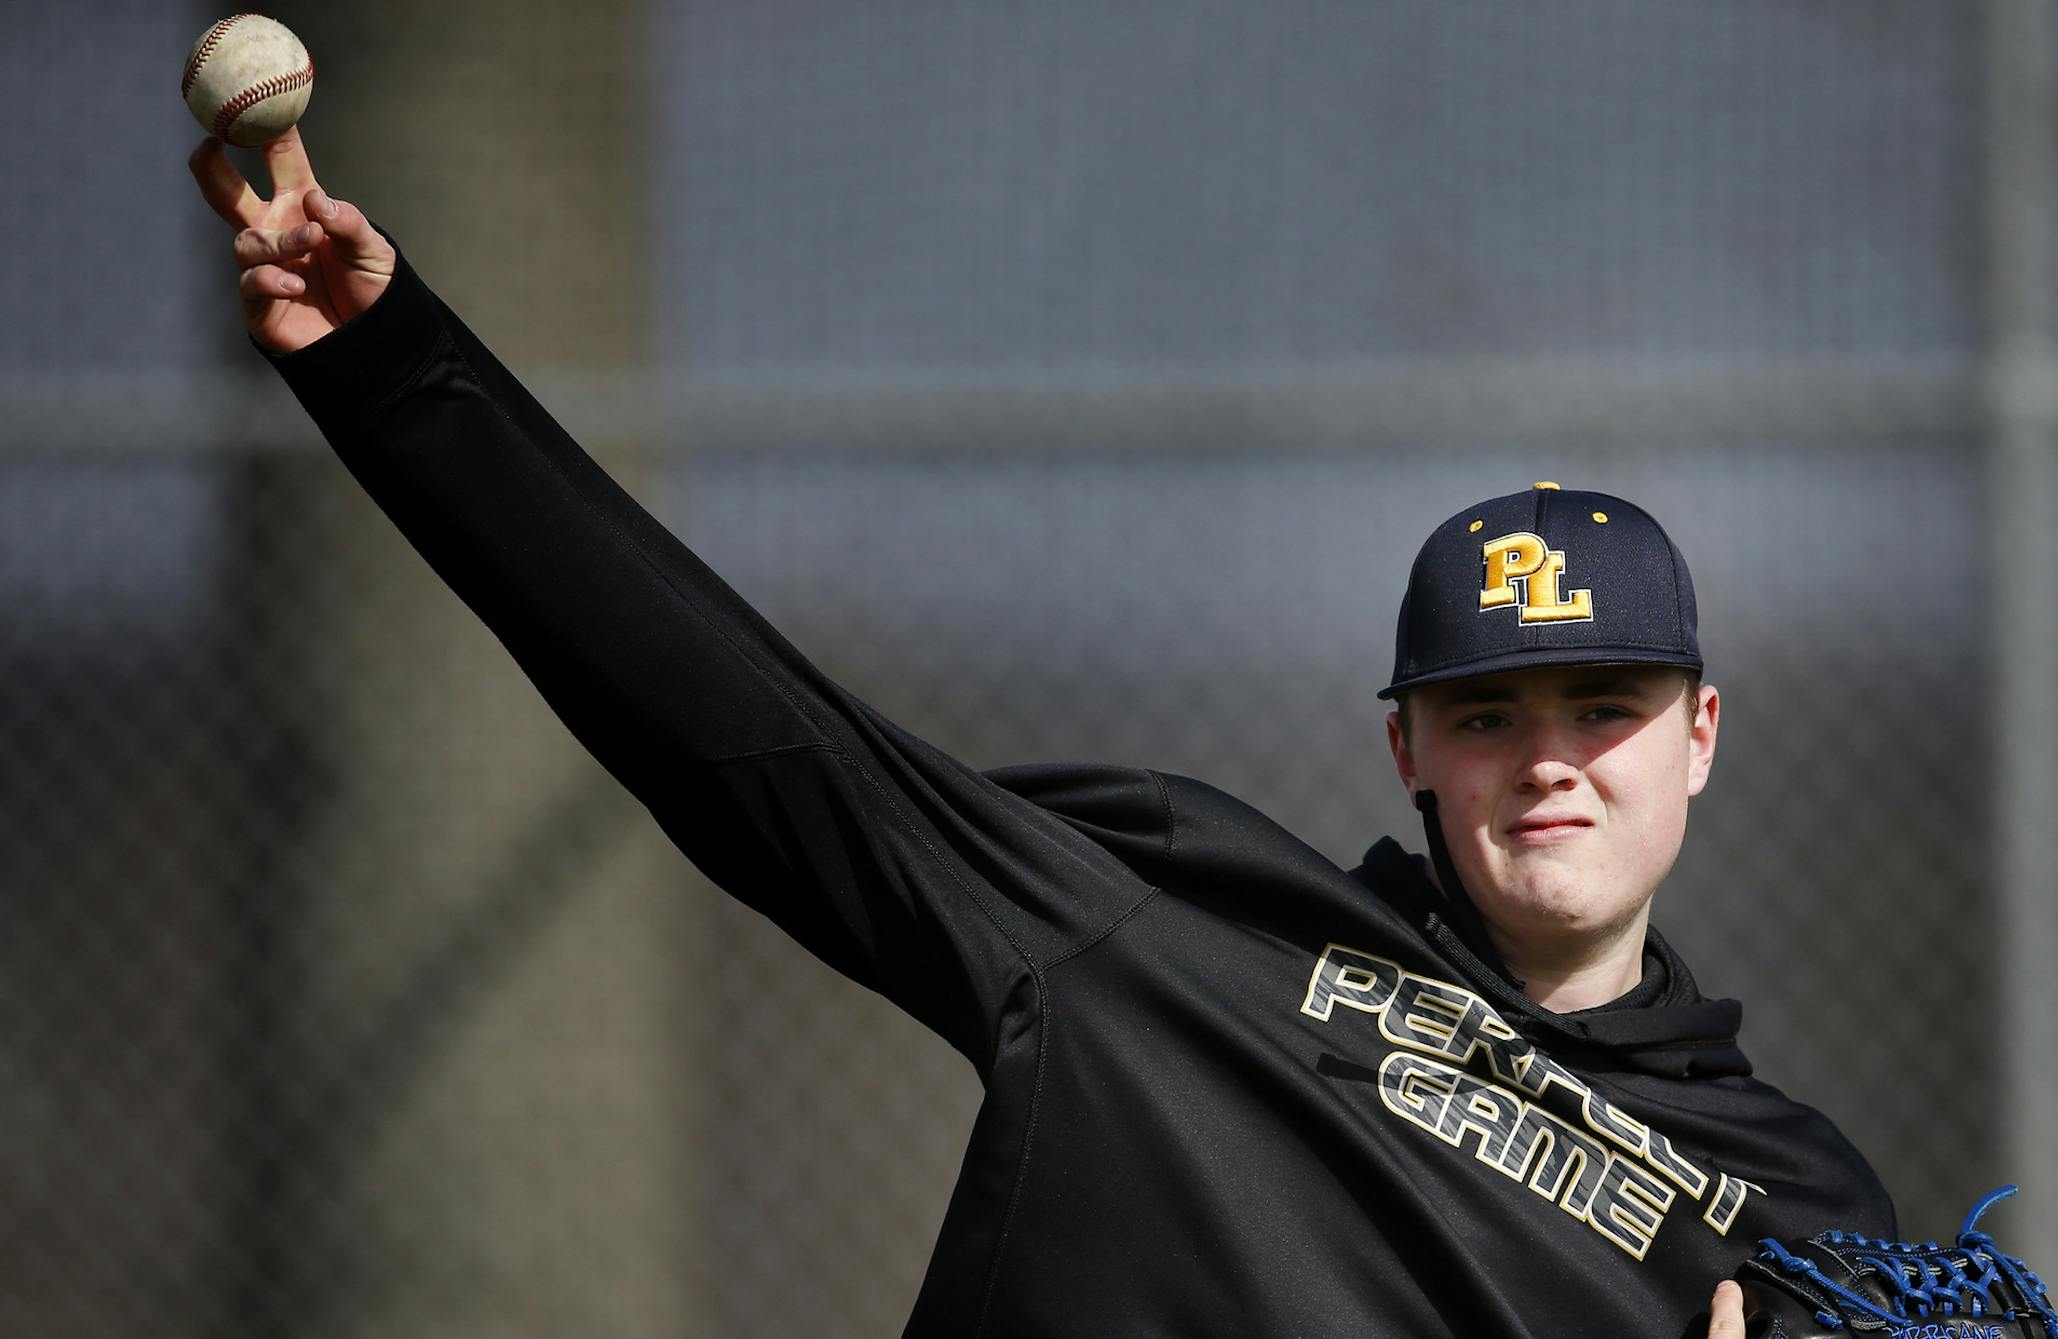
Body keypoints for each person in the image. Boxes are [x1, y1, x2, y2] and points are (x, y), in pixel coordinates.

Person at [190, 128, 1888, 1338]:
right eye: (1488, 711)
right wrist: (402, 376)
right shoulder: (1190, 940)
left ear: (1701, 737)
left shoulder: (1804, 1212)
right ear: (1406, 754)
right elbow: (763, 748)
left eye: (1608, 706)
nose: (1549, 757)